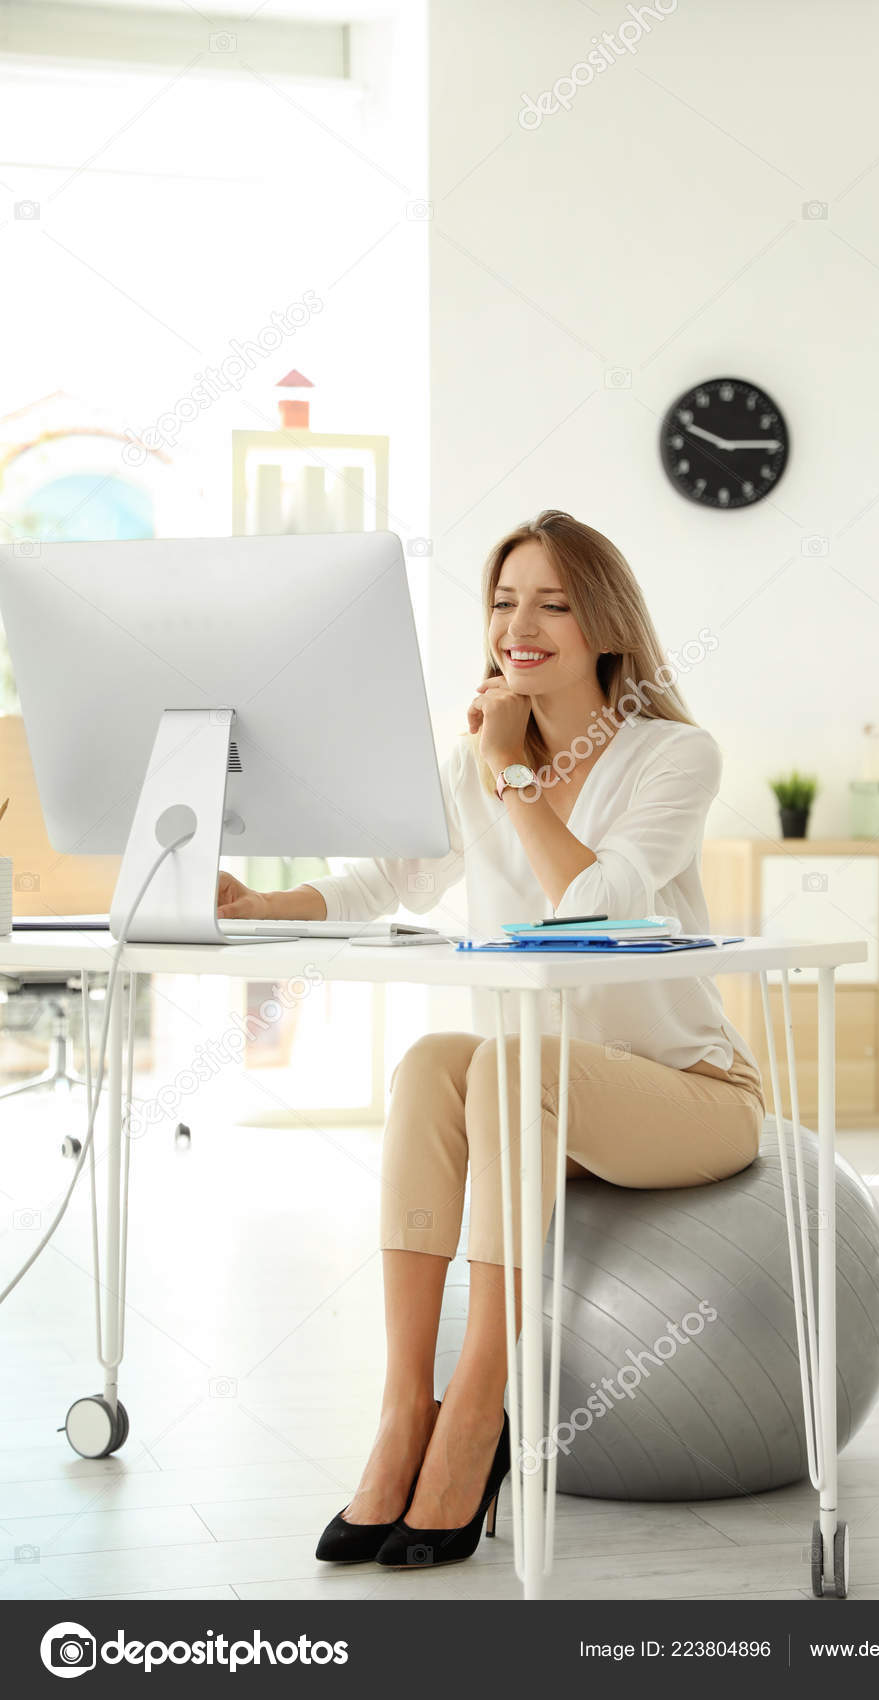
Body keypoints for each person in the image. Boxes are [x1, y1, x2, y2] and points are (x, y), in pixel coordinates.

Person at [216, 509, 765, 1570]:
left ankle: (477, 1412)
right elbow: (390, 877)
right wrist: (266, 903)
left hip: (687, 1089)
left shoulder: (671, 755)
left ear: (604, 621)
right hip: (543, 1090)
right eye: (504, 600)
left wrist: (512, 773)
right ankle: (399, 1413)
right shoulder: (475, 759)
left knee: (508, 1064)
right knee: (432, 1060)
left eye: (553, 601)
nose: (520, 623)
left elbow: (595, 904)